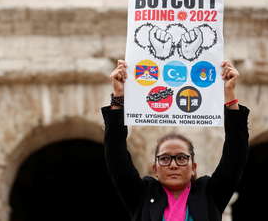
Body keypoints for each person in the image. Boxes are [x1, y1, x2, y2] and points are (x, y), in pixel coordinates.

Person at [102, 60, 250, 221]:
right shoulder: (142, 196)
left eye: (181, 158)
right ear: (155, 169)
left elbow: (235, 155)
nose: (173, 165)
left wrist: (230, 94)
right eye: (165, 158)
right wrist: (118, 96)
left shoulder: (209, 195)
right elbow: (116, 157)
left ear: (193, 167)